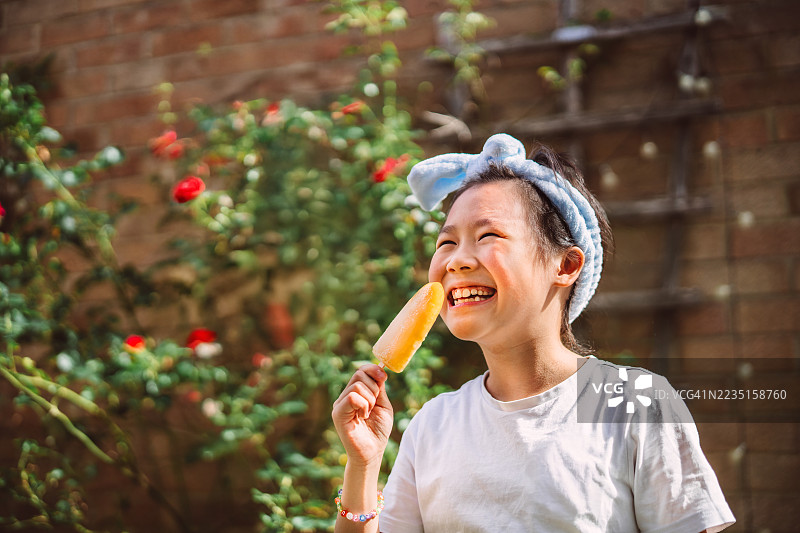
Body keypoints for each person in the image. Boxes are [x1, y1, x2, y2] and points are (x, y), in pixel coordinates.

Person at [331, 134, 735, 532]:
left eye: (487, 236)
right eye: (446, 242)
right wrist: (363, 466)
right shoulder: (433, 424)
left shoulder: (635, 406)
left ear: (565, 265)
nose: (455, 261)